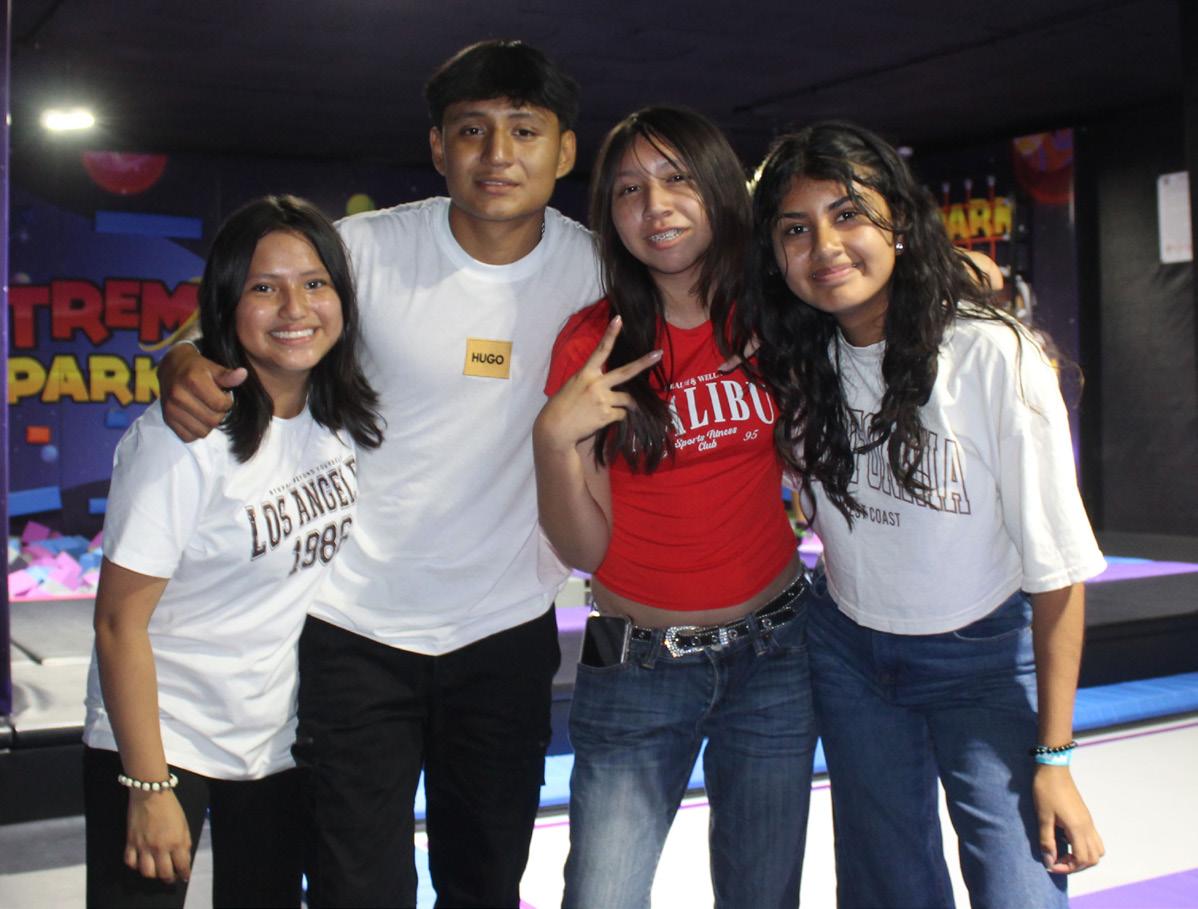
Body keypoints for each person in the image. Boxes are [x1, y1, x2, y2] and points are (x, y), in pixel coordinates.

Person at [155, 41, 600, 908]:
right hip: (350, 627)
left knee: (486, 883)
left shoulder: (594, 270)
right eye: (471, 130)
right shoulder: (365, 250)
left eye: (524, 130)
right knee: (357, 888)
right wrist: (178, 362)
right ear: (437, 147)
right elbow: (219, 326)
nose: (497, 154)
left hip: (503, 629)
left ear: (565, 151)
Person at [742, 121, 1106, 908]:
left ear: (898, 222)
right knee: (888, 888)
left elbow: (1058, 572)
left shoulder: (991, 353)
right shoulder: (800, 362)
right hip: (849, 656)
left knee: (1021, 891)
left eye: (848, 214)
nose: (824, 246)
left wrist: (1056, 757)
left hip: (981, 660)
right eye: (795, 229)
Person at [536, 106, 816, 909]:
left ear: (718, 188)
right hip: (637, 664)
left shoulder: (773, 317)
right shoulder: (595, 343)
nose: (654, 206)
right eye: (629, 189)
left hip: (776, 653)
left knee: (764, 896)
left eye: (676, 179)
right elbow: (584, 549)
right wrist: (552, 440)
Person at [82, 195, 383, 908]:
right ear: (227, 300)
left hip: (273, 746)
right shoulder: (185, 438)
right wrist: (148, 784)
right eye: (264, 287)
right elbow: (118, 623)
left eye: (315, 283)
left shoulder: (340, 418)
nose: (295, 308)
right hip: (163, 737)